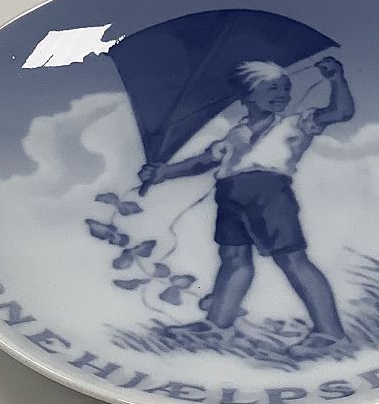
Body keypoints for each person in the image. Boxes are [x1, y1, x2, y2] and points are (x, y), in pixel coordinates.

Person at [138, 56, 355, 359]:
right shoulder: (236, 133)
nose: (282, 94)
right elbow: (203, 162)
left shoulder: (296, 124)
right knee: (233, 258)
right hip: (230, 197)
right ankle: (218, 324)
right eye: (272, 88)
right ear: (248, 94)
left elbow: (341, 112)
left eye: (285, 88)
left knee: (292, 259)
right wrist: (163, 173)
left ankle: (330, 332)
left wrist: (336, 79)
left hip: (270, 197)